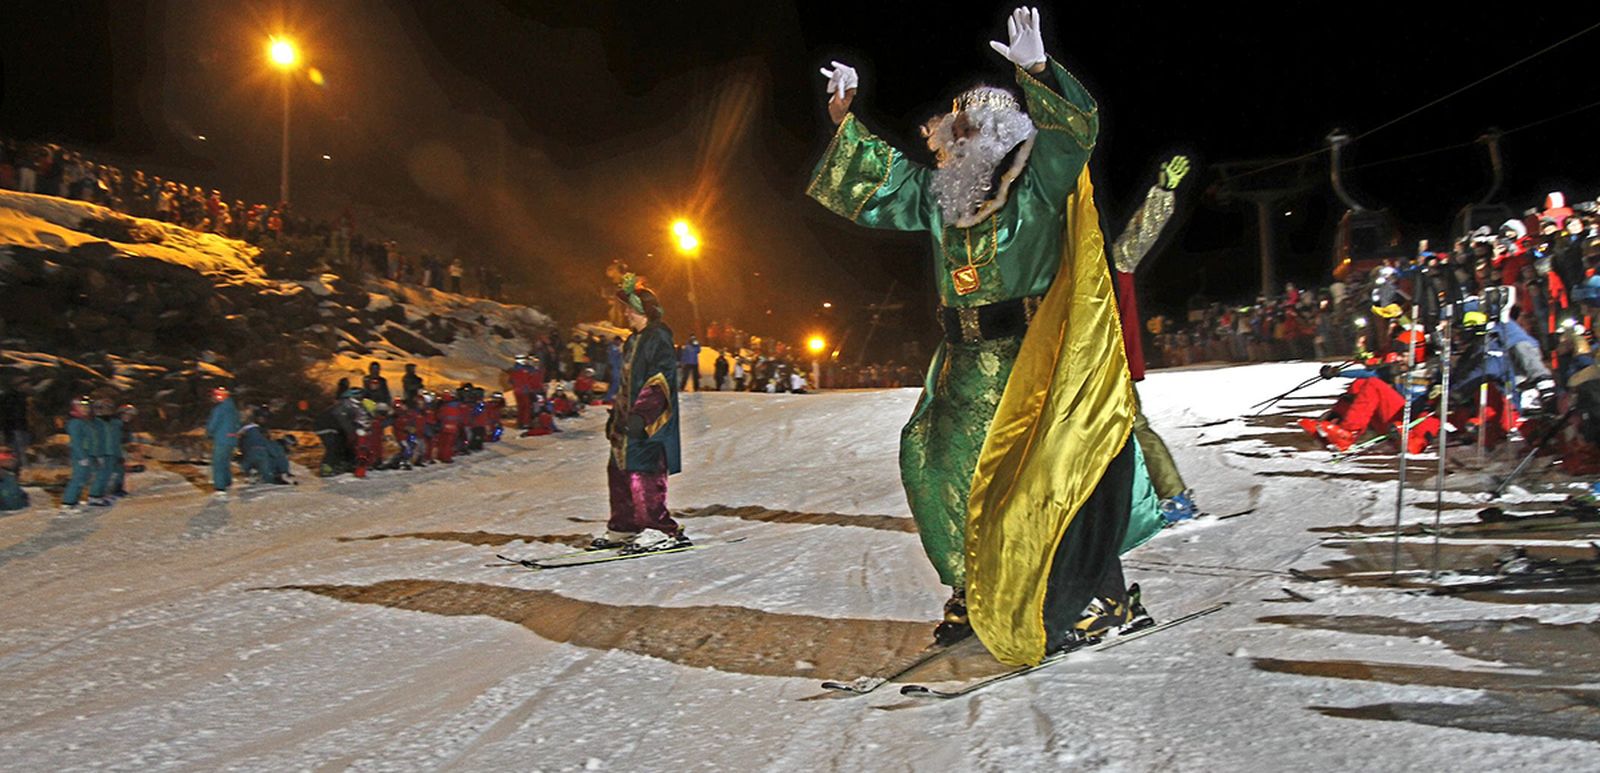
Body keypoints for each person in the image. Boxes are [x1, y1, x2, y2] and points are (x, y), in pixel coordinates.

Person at [807, 8, 1162, 665]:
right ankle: (977, 593)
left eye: (975, 129)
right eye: (956, 127)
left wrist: (1036, 70)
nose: (960, 137)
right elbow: (879, 178)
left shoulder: (1037, 187)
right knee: (941, 471)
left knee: (1052, 482)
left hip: (1030, 364)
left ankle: (1101, 596)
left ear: (1001, 137)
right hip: (963, 366)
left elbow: (1073, 134)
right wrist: (841, 119)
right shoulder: (941, 193)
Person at [1108, 154, 1199, 523]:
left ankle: (1174, 496)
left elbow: (1140, 233)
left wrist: (1162, 192)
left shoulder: (1111, 264)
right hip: (1071, 370)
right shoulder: (1053, 280)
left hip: (1109, 368)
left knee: (1134, 427)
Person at [593, 274, 688, 552]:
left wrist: (642, 414)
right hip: (626, 418)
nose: (626, 314)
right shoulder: (633, 340)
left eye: (630, 310)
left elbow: (660, 379)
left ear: (644, 312)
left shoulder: (658, 337)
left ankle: (659, 529)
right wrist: (617, 414)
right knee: (619, 471)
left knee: (644, 473)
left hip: (649, 421)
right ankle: (625, 526)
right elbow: (626, 382)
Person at [61, 397, 97, 511]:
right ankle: (68, 502)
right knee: (78, 477)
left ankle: (74, 500)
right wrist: (81, 457)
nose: (85, 410)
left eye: (87, 407)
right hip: (80, 455)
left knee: (84, 478)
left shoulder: (85, 422)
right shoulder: (75, 423)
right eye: (82, 407)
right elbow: (75, 441)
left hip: (88, 453)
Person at [205, 386, 240, 497]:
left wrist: (209, 433)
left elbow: (213, 423)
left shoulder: (219, 409)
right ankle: (227, 481)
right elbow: (238, 424)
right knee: (225, 461)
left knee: (218, 462)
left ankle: (220, 487)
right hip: (232, 438)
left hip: (221, 438)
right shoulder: (234, 409)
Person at [508, 354, 542, 429]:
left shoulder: (515, 369)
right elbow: (531, 380)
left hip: (520, 391)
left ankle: (521, 422)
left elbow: (511, 381)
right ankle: (525, 423)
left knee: (522, 407)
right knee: (526, 407)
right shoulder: (524, 370)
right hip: (524, 391)